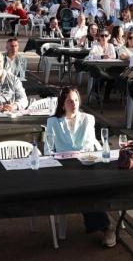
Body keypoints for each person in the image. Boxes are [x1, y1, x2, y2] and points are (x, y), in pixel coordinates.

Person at [45, 87, 118, 247]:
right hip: (64, 167)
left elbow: (91, 144)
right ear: (62, 104)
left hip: (86, 164)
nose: (74, 104)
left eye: (76, 100)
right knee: (83, 188)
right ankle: (106, 226)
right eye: (70, 101)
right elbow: (48, 149)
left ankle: (106, 227)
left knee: (86, 186)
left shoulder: (88, 119)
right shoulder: (52, 121)